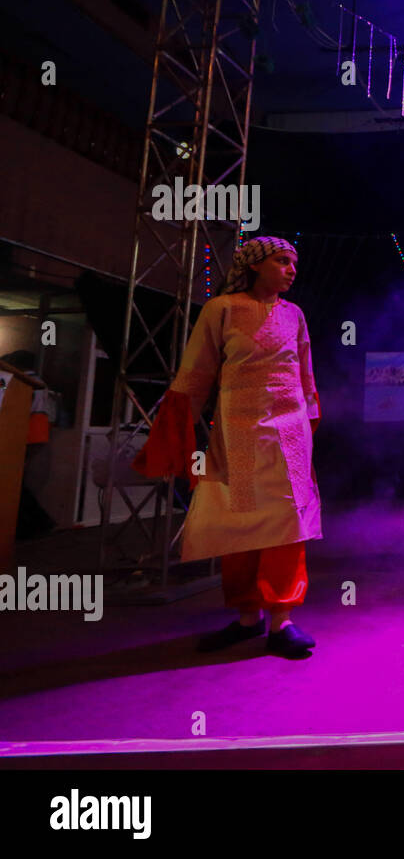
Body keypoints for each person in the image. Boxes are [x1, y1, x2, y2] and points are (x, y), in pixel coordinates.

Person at [133, 236, 322, 659]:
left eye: (294, 262)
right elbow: (196, 370)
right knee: (242, 523)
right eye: (282, 261)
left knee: (288, 523)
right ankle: (247, 618)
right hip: (238, 428)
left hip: (290, 432)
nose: (292, 269)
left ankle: (282, 620)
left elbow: (305, 374)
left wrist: (309, 422)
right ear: (255, 265)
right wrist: (176, 427)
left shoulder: (294, 315)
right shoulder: (221, 309)